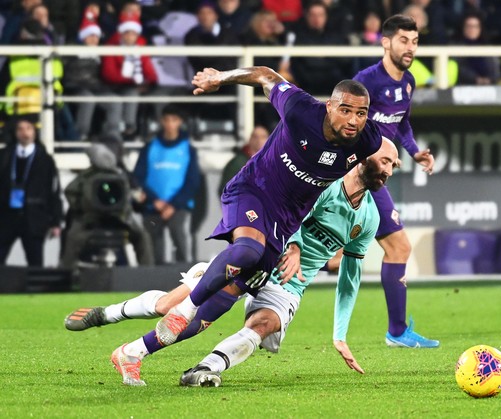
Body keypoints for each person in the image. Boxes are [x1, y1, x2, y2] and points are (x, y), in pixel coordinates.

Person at [64, 138, 399, 386]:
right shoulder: (324, 184)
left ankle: (201, 369)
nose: (387, 170)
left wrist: (339, 335)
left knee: (264, 323)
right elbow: (286, 211)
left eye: (393, 166)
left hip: (289, 284)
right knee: (176, 310)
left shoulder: (368, 217)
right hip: (261, 256)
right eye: (384, 160)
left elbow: (350, 278)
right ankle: (111, 319)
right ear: (365, 156)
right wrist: (294, 246)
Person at [153, 65, 383, 348]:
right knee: (249, 250)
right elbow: (265, 75)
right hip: (256, 189)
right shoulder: (301, 109)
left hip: (284, 220)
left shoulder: (368, 140)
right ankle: (184, 308)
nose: (353, 120)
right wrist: (219, 78)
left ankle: (135, 350)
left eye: (361, 113)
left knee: (232, 293)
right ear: (329, 107)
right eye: (345, 110)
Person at [352, 14, 438, 348]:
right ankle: (397, 332)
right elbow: (347, 127)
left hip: (375, 178)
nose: (410, 48)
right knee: (396, 247)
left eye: (415, 41)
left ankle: (398, 331)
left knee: (395, 247)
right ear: (385, 42)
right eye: (404, 40)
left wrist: (414, 152)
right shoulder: (366, 82)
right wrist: (374, 152)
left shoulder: (408, 82)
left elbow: (402, 123)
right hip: (357, 175)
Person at [60, 141, 154, 269]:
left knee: (143, 236)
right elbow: (70, 192)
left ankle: (147, 273)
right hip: (92, 220)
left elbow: (132, 196)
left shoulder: (121, 175)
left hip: (119, 219)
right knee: (72, 238)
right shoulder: (88, 176)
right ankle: (67, 274)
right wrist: (82, 206)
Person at [133, 104, 201, 265]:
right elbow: (138, 177)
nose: (170, 124)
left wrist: (173, 205)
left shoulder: (188, 150)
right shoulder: (149, 148)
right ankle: (153, 283)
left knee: (179, 237)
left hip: (178, 206)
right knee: (152, 245)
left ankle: (185, 282)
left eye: (174, 120)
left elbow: (192, 182)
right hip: (152, 205)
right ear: (162, 122)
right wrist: (154, 200)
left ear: (180, 122)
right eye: (167, 120)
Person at [0, 117, 62, 266]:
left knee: (35, 260)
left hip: (34, 217)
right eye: (20, 129)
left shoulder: (45, 159)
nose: (24, 133)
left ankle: (35, 289)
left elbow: (53, 191)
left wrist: (56, 221)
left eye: (28, 128)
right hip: (7, 216)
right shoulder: (5, 156)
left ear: (35, 132)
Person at [62, 7, 122, 141]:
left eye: (96, 36)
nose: (95, 39)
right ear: (83, 36)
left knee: (115, 100)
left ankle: (113, 135)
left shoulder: (102, 52)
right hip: (75, 86)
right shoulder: (71, 49)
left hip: (96, 86)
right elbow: (64, 69)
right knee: (88, 99)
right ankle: (81, 134)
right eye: (91, 35)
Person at [101, 11, 158, 140]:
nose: (129, 36)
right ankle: (115, 133)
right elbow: (109, 74)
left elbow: (151, 74)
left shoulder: (141, 50)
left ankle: (130, 128)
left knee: (132, 93)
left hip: (133, 87)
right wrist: (133, 82)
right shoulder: (111, 48)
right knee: (122, 98)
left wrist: (147, 83)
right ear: (121, 33)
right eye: (127, 32)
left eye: (133, 33)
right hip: (112, 88)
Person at [217, 125, 269, 196]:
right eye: (255, 137)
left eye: (263, 137)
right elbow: (225, 191)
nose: (259, 140)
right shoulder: (238, 163)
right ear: (250, 140)